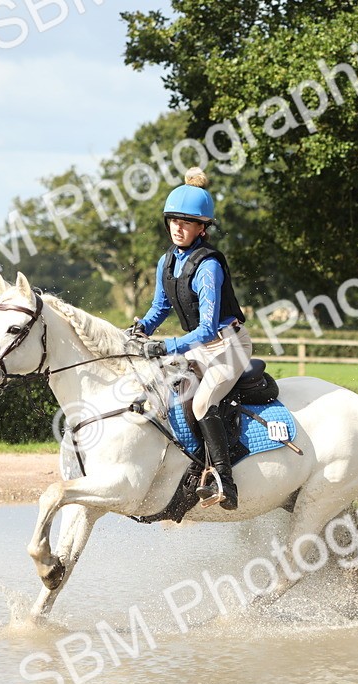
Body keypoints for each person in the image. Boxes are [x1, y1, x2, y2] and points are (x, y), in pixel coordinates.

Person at [129, 167, 252, 510]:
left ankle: (225, 483)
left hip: (229, 345)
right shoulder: (166, 262)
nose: (178, 228)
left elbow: (208, 329)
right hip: (199, 348)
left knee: (201, 403)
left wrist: (166, 345)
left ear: (202, 228)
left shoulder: (208, 266)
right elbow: (159, 307)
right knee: (163, 391)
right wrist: (142, 329)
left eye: (186, 223)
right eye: (173, 221)